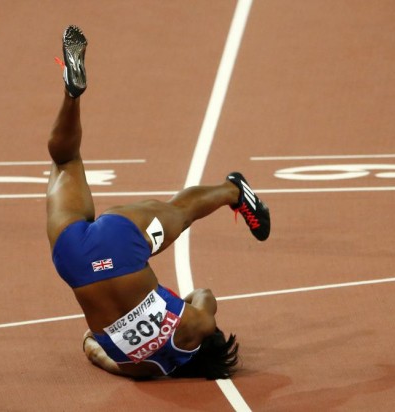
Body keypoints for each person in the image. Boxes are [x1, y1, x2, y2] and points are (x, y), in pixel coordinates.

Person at [47, 25, 271, 379]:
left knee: (179, 213)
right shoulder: (141, 369)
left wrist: (176, 314)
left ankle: (233, 191)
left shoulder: (197, 324)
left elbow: (203, 293)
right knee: (66, 162)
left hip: (124, 243)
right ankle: (70, 96)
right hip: (73, 257)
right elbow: (91, 348)